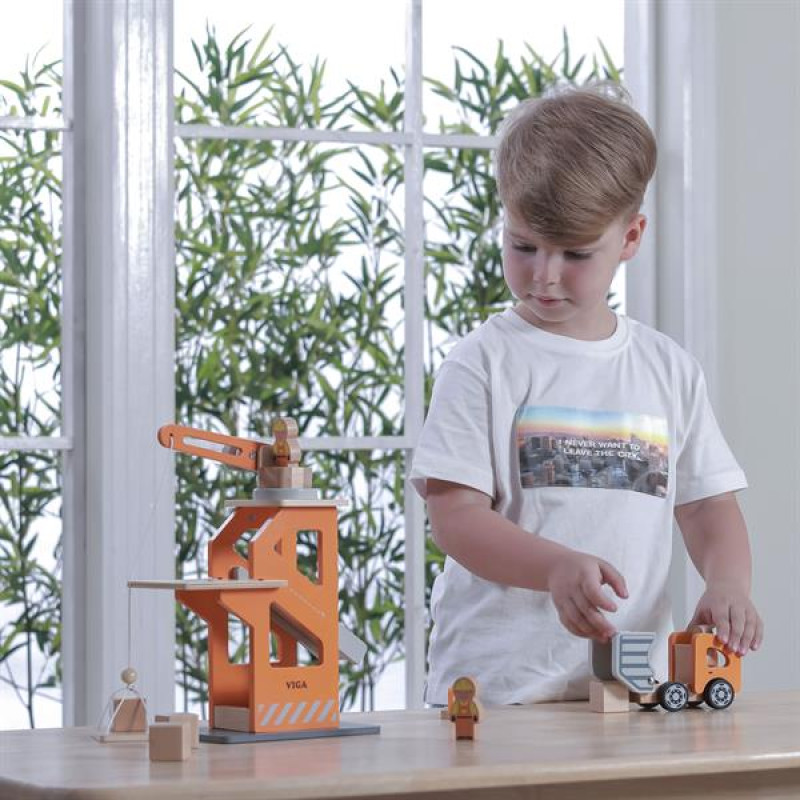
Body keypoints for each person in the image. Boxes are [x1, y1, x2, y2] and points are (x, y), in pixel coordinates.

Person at [409, 83, 763, 707]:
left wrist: (728, 582)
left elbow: (708, 506)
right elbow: (455, 517)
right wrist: (553, 566)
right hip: (498, 692)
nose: (544, 275)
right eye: (523, 246)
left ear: (630, 237)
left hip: (633, 690)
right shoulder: (482, 364)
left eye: (575, 253)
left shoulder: (668, 370)